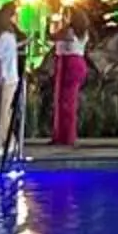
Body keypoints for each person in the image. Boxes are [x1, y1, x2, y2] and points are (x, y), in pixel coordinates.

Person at [0, 4, 23, 160]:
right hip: (4, 78)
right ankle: (11, 141)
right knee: (3, 112)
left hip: (6, 79)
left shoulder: (4, 37)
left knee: (1, 113)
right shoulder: (8, 36)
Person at [50, 10, 90, 147]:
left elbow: (53, 36)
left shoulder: (70, 31)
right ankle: (62, 135)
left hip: (69, 63)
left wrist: (54, 23)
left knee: (65, 102)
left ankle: (66, 136)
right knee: (66, 101)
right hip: (75, 62)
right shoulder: (83, 32)